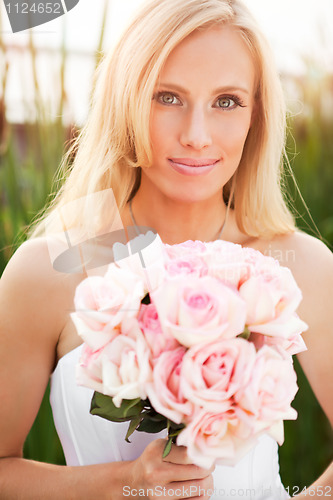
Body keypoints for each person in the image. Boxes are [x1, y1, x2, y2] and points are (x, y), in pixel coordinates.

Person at [0, 0, 332, 498]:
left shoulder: (300, 266)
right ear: (126, 103)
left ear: (255, 115)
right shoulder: (49, 270)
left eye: (227, 101)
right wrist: (125, 483)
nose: (197, 136)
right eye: (167, 97)